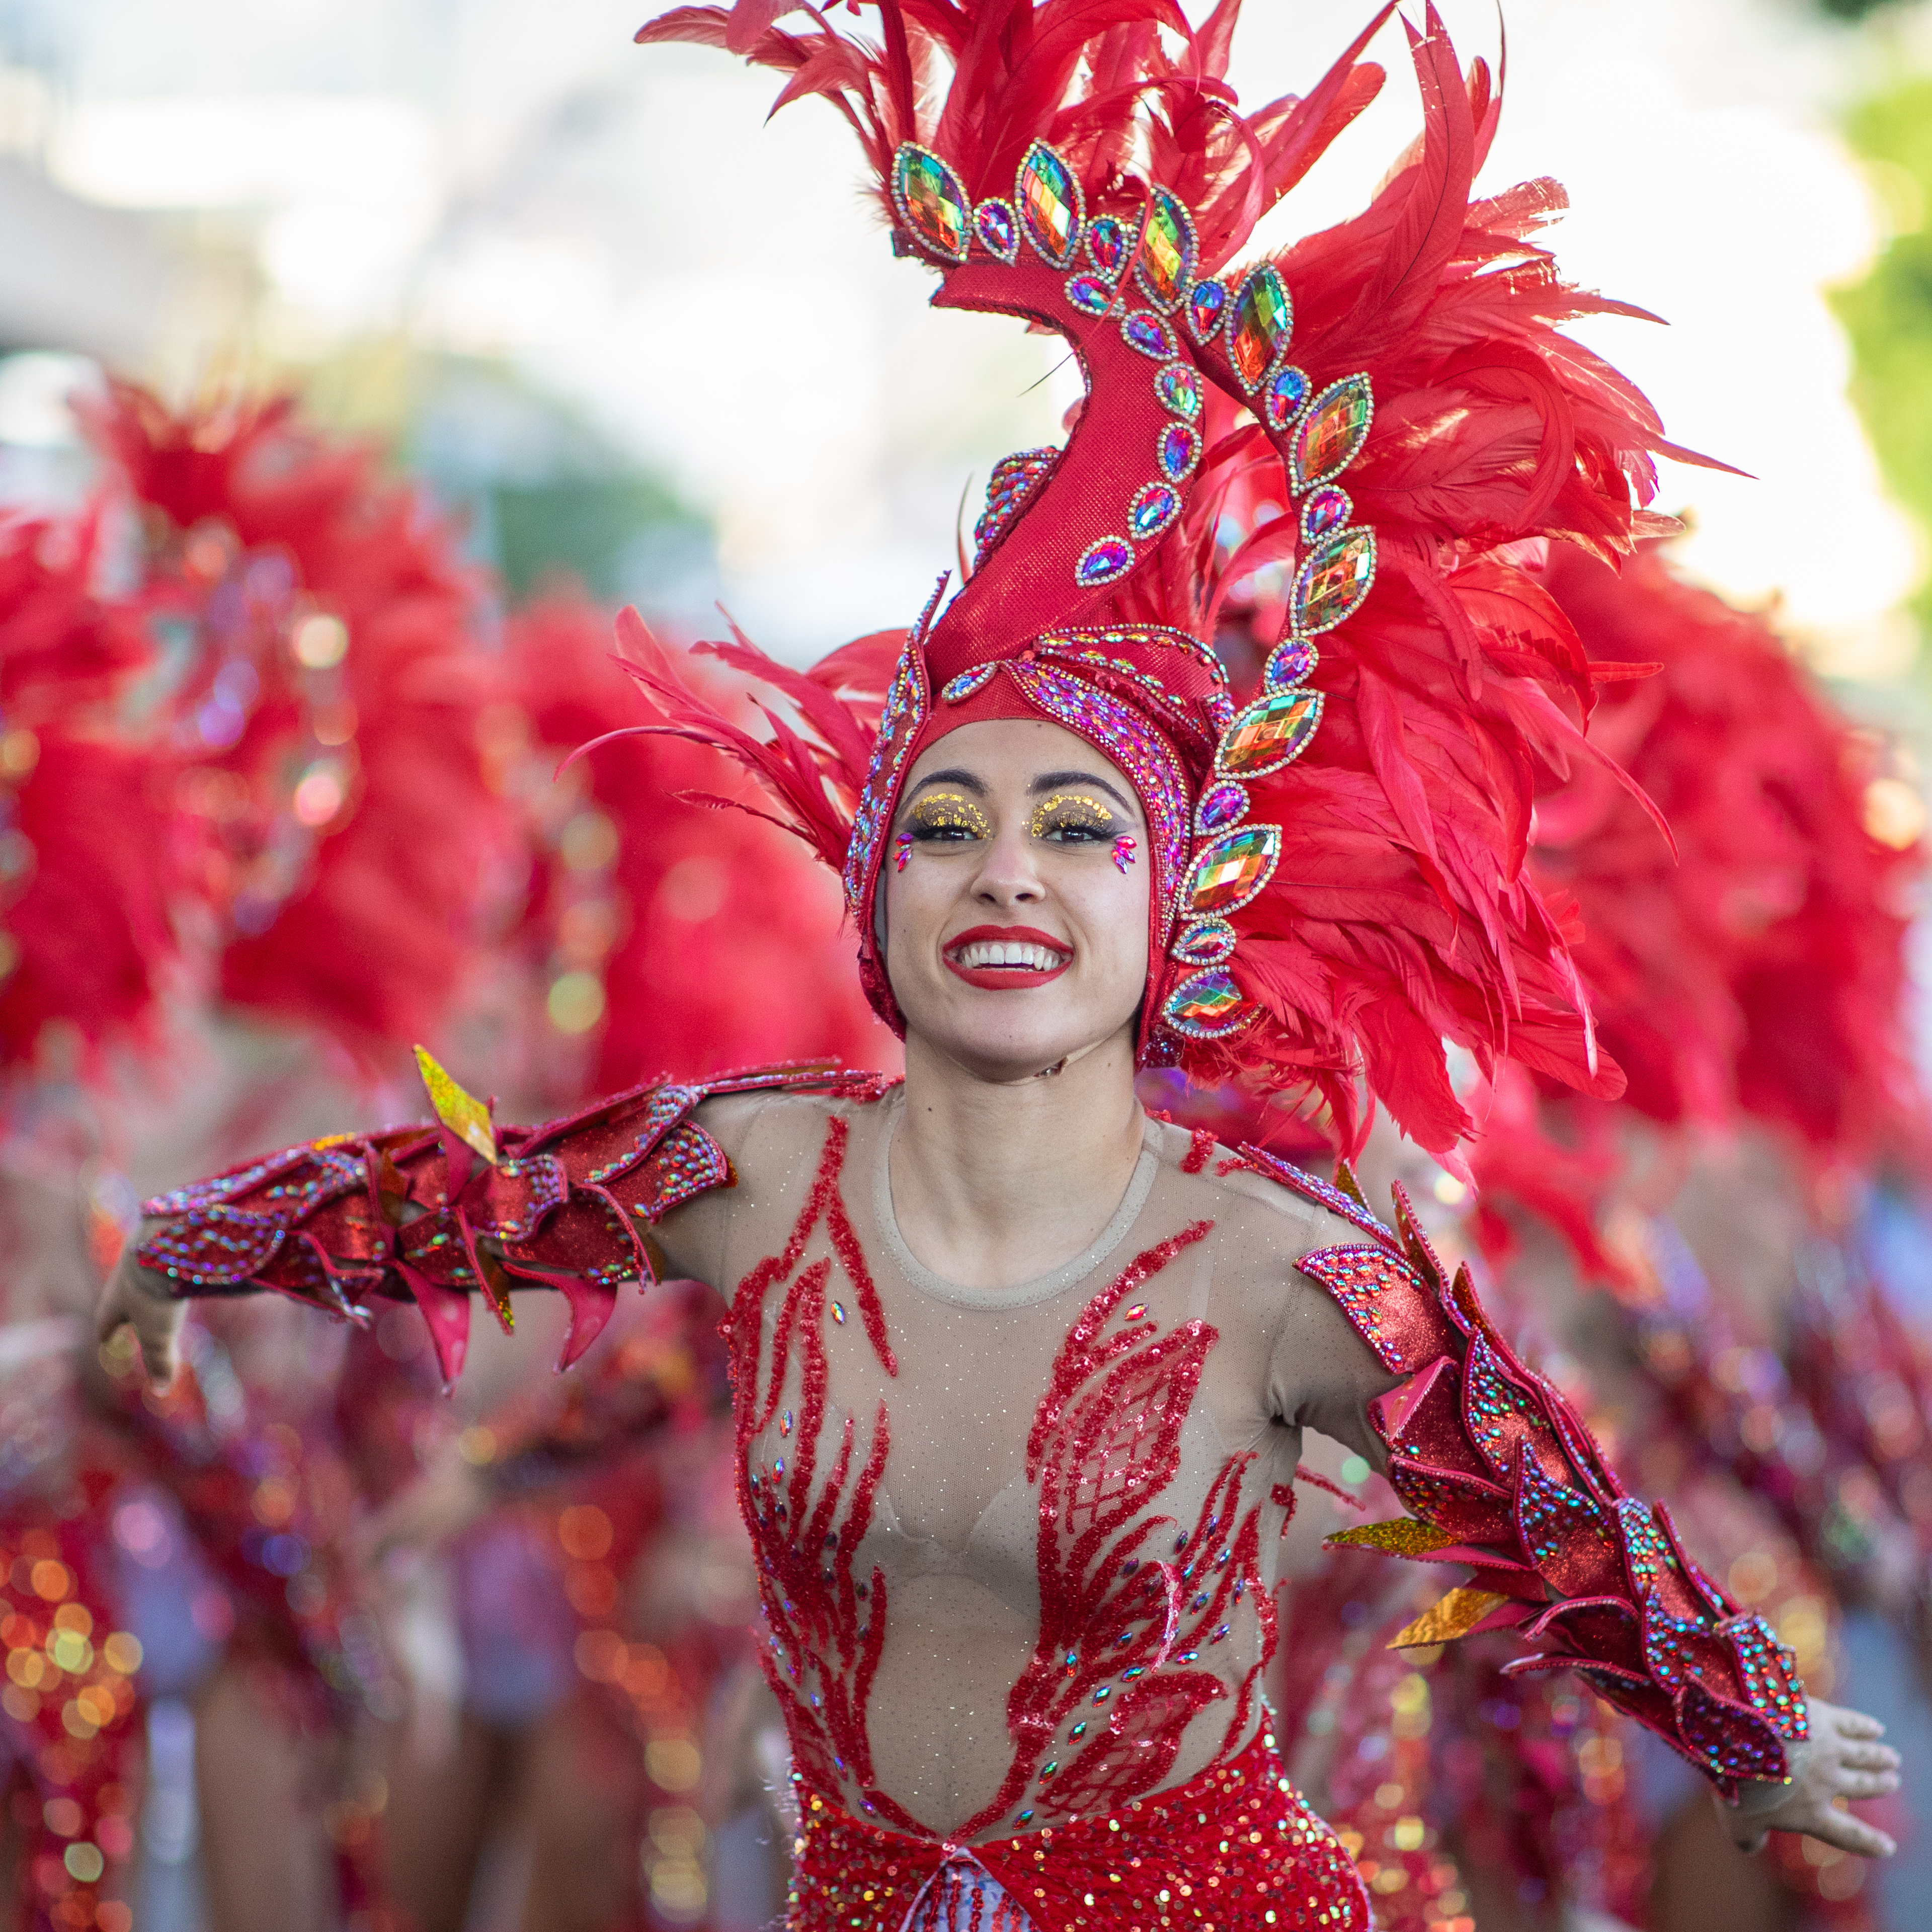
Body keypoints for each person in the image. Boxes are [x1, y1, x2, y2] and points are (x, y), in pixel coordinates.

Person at [94, 3, 1905, 1927]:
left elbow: (1536, 1494)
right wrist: (194, 1237)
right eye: (947, 826)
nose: (1006, 879)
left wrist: (1756, 1726)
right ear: (871, 899)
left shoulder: (1280, 1254)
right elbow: (477, 1197)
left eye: (1080, 833)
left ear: (1173, 913)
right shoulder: (755, 1170)